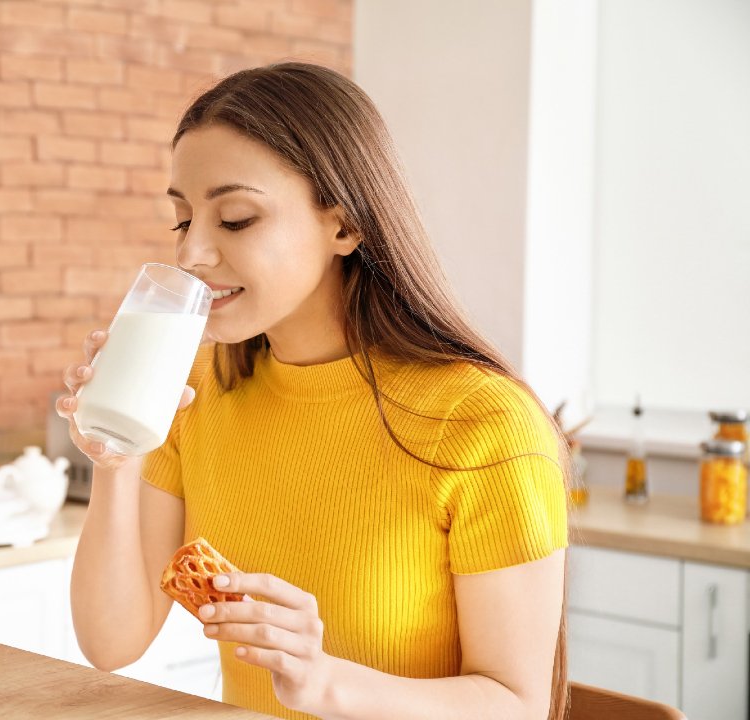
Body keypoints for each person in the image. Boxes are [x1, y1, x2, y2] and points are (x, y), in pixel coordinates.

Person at [58, 62, 570, 720]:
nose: (192, 256)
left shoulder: (484, 424)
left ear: (344, 226)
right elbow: (110, 642)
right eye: (183, 221)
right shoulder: (191, 392)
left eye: (236, 219)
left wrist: (325, 684)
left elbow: (516, 705)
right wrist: (115, 456)